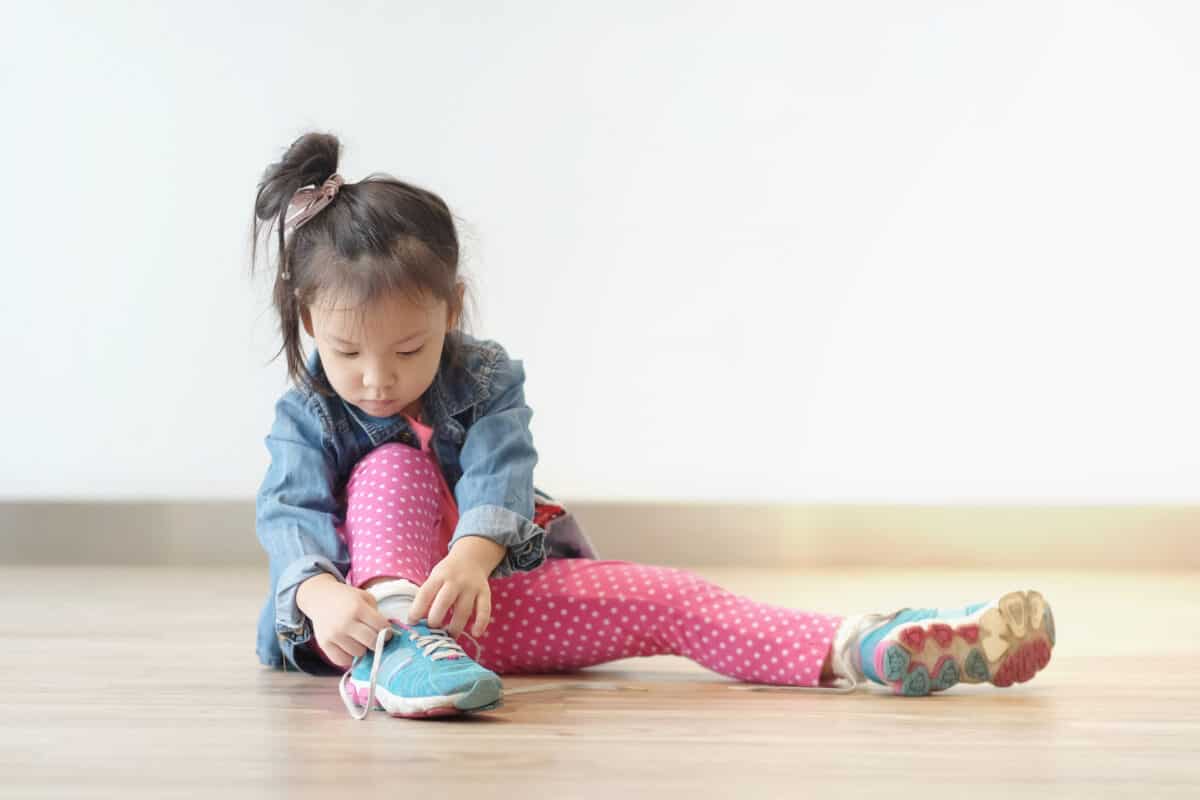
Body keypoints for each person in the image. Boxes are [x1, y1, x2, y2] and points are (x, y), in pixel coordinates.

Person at [250, 132, 1056, 720]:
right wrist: (320, 597)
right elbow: (289, 515)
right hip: (357, 629)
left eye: (409, 348)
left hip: (484, 608)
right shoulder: (309, 413)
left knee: (675, 599)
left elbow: (502, 467)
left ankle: (866, 646)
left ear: (451, 311)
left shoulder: (487, 380)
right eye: (348, 350)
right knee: (388, 466)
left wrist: (472, 556)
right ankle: (397, 659)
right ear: (307, 321)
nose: (378, 377)